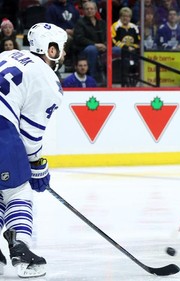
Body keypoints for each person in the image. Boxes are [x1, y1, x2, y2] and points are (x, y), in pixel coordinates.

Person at [0, 22, 67, 277]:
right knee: (18, 189)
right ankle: (21, 252)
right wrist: (37, 165)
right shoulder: (47, 79)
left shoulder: (7, 54)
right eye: (61, 47)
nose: (63, 53)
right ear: (51, 49)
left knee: (1, 188)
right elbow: (30, 136)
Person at [73, 1, 107, 82]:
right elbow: (79, 38)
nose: (89, 10)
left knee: (116, 50)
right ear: (84, 11)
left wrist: (105, 45)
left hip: (102, 48)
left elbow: (107, 36)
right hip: (84, 50)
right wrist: (95, 45)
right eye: (87, 9)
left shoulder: (102, 23)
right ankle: (92, 78)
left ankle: (114, 79)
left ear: (96, 10)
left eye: (92, 9)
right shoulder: (80, 23)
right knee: (92, 49)